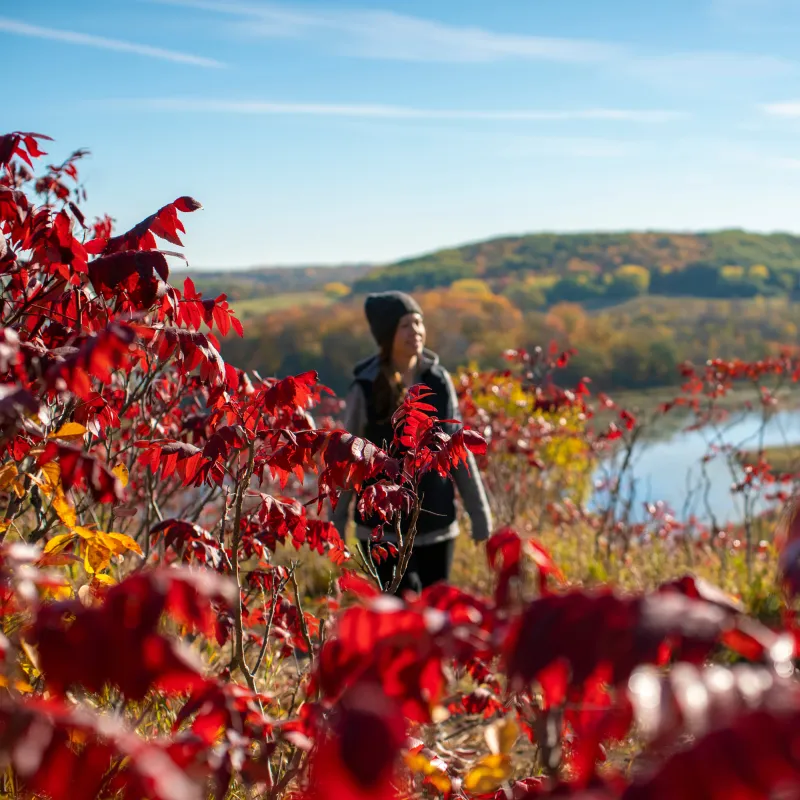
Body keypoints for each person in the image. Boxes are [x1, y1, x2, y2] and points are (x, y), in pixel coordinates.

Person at [330, 290, 493, 594]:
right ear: (387, 334)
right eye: (405, 325)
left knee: (434, 614)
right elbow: (346, 460)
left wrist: (479, 514)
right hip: (381, 530)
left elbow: (458, 451)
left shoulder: (439, 381)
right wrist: (336, 524)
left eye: (418, 323)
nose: (415, 332)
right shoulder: (365, 387)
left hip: (437, 525)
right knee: (400, 612)